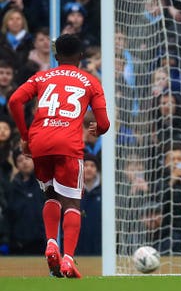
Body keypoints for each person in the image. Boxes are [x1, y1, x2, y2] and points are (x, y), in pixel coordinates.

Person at [7, 33, 110, 278]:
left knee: (50, 195)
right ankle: (68, 260)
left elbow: (14, 100)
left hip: (40, 141)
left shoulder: (42, 76)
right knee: (72, 203)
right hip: (68, 144)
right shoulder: (90, 80)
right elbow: (104, 123)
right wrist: (99, 128)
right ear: (81, 57)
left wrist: (25, 136)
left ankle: (52, 243)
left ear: (55, 56)